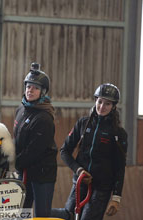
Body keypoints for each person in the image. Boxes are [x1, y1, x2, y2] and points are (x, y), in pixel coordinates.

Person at [51, 83, 128, 220]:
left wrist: (116, 197)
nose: (102, 107)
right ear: (95, 101)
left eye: (107, 104)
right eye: (100, 102)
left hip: (101, 188)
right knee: (68, 216)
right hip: (80, 183)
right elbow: (64, 151)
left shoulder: (118, 133)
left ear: (114, 106)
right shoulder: (83, 123)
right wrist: (79, 170)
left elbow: (119, 167)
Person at [13, 62, 57, 217]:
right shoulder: (21, 109)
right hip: (24, 169)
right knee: (21, 213)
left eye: (35, 88)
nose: (30, 90)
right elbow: (16, 138)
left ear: (43, 92)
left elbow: (34, 150)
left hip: (42, 174)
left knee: (41, 215)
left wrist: (14, 162)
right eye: (28, 86)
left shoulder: (44, 118)